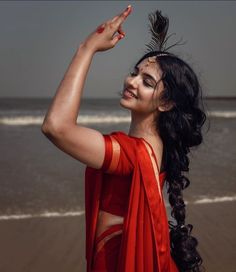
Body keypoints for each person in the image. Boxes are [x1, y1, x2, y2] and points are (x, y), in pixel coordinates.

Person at [41, 5, 206, 272]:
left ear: (166, 103)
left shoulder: (132, 154)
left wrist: (87, 48)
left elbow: (56, 126)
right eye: (135, 73)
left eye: (147, 82)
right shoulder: (156, 148)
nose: (132, 81)